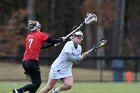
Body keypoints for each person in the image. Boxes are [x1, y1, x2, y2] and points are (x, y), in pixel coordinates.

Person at [13, 20, 66, 93]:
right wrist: (61, 39)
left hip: (25, 62)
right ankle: (19, 91)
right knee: (37, 83)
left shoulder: (29, 36)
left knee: (34, 83)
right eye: (39, 27)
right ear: (37, 28)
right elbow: (54, 41)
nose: (40, 28)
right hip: (32, 62)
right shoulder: (40, 35)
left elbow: (40, 47)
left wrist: (52, 44)